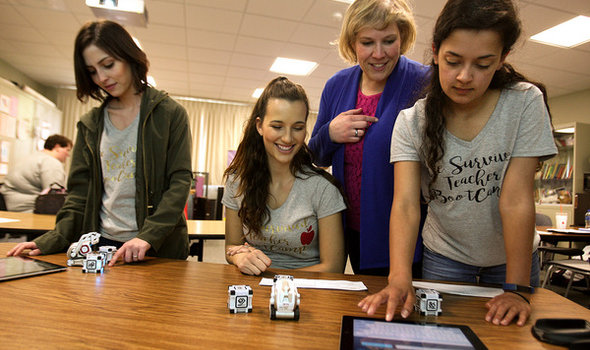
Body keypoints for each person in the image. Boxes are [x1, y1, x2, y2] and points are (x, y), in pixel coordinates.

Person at [358, 0, 558, 326]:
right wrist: (399, 277)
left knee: (510, 338)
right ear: (435, 52)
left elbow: (516, 199)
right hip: (446, 255)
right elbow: (406, 204)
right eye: (453, 61)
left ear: (502, 59)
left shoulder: (524, 102)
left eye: (483, 63)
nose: (465, 76)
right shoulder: (413, 121)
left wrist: (518, 289)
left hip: (514, 259)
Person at [7, 20, 192, 265]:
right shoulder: (90, 124)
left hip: (156, 246)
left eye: (108, 65)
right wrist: (53, 238)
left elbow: (179, 182)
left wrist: (148, 236)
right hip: (101, 243)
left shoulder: (169, 114)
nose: (102, 77)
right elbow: (79, 194)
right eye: (92, 71)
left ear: (129, 57)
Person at [308, 0, 429, 275]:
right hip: (352, 229)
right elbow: (315, 155)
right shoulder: (336, 86)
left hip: (407, 232)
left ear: (403, 37)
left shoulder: (423, 82)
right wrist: (330, 133)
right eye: (367, 42)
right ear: (352, 43)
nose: (378, 54)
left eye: (388, 41)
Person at [223, 77, 346, 275]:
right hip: (254, 285)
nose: (288, 138)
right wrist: (240, 257)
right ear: (259, 126)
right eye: (277, 126)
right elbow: (231, 247)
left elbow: (333, 267)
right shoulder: (237, 181)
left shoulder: (323, 189)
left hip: (308, 291)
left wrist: (277, 281)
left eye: (297, 128)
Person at [1, 135, 72, 213]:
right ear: (57, 147)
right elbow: (55, 196)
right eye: (67, 150)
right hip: (27, 210)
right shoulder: (51, 163)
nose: (68, 155)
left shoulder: (32, 157)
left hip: (9, 204)